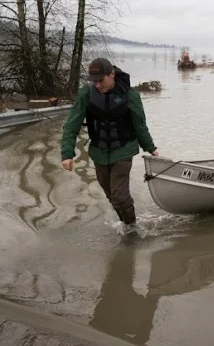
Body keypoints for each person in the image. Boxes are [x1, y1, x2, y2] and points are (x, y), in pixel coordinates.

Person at [60, 58, 158, 228]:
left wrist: (150, 147)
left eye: (101, 80)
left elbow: (140, 124)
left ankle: (132, 227)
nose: (98, 85)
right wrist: (67, 154)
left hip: (123, 150)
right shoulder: (86, 94)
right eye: (94, 81)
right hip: (99, 152)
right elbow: (71, 124)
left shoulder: (130, 94)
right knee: (111, 195)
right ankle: (126, 225)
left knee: (119, 196)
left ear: (112, 74)